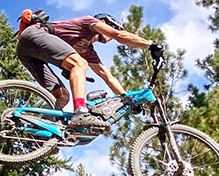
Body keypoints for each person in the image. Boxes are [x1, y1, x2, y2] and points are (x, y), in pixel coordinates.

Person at [16, 9, 164, 131]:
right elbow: (119, 36)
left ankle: (41, 130)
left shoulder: (88, 51)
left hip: (25, 52)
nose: (111, 36)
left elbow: (107, 76)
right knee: (79, 64)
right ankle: (80, 112)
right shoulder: (88, 22)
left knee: (62, 97)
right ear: (105, 23)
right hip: (34, 34)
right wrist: (150, 45)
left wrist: (128, 100)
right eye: (112, 28)